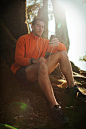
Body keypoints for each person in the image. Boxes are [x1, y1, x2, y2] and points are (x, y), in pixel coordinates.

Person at [11, 17, 75, 123]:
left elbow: (63, 50)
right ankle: (54, 107)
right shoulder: (23, 39)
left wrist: (58, 44)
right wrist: (33, 61)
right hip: (23, 72)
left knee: (62, 54)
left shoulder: (44, 42)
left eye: (43, 27)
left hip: (39, 69)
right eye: (38, 26)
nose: (41, 29)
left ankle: (72, 88)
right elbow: (18, 59)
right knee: (41, 64)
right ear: (32, 27)